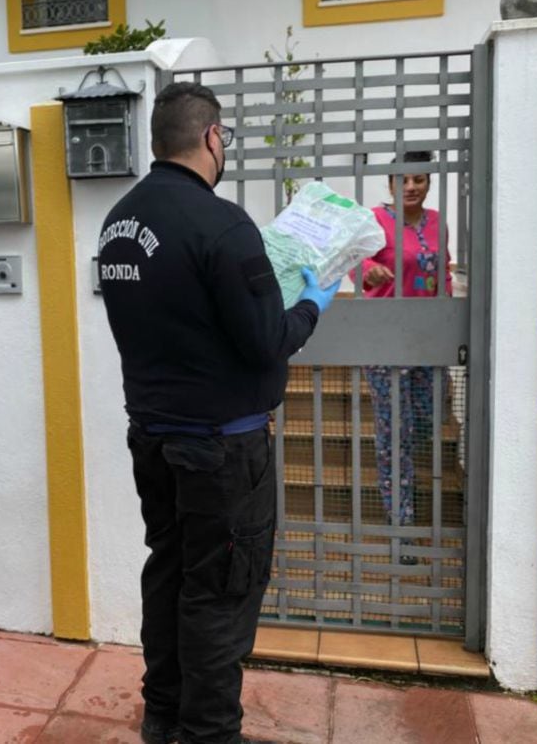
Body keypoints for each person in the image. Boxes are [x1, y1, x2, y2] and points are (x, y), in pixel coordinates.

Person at [98, 82, 340, 744]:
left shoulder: (118, 222)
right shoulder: (222, 224)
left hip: (154, 438)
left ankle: (164, 719)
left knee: (170, 575)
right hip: (221, 453)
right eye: (223, 138)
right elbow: (265, 340)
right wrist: (314, 303)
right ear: (212, 138)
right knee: (220, 594)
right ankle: (207, 733)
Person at [357, 151, 452, 541]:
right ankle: (402, 522)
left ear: (428, 183)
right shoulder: (374, 221)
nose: (411, 187)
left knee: (425, 424)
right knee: (396, 433)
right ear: (391, 185)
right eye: (403, 180)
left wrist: (448, 318)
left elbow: (443, 268)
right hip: (385, 340)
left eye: (419, 180)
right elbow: (353, 261)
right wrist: (369, 271)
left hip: (428, 339)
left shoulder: (436, 223)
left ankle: (409, 495)